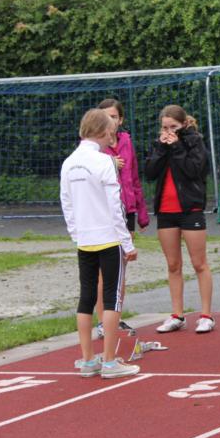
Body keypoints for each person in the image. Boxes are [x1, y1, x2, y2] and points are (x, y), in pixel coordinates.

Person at [60, 108, 139, 378]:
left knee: (86, 297)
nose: (112, 138)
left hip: (85, 240)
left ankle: (87, 359)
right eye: (111, 133)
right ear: (105, 132)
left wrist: (76, 234)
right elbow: (115, 207)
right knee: (111, 299)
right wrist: (127, 243)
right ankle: (109, 361)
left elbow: (66, 203)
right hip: (108, 238)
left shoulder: (69, 162)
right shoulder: (104, 162)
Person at [145, 105, 215, 334]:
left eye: (173, 127)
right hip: (166, 211)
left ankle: (206, 315)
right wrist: (161, 148)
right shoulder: (159, 144)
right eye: (165, 128)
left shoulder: (195, 141)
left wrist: (176, 146)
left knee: (199, 263)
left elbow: (194, 170)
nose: (168, 132)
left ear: (183, 124)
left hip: (190, 208)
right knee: (173, 265)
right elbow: (150, 173)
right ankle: (177, 314)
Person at [93, 98, 149, 338]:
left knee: (120, 270)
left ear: (121, 119)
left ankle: (115, 317)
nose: (110, 121)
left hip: (126, 212)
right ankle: (101, 321)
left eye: (114, 117)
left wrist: (141, 214)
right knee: (102, 272)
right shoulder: (93, 147)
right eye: (105, 117)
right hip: (103, 213)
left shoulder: (126, 141)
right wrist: (108, 163)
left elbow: (134, 179)